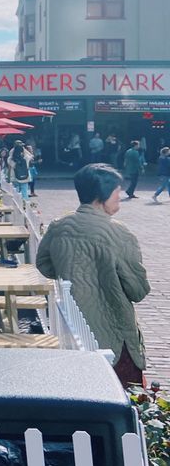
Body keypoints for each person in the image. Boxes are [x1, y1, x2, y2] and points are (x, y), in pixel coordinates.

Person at [36, 164, 150, 387]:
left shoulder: (59, 226)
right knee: (124, 393)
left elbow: (44, 264)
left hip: (75, 324)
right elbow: (137, 290)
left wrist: (71, 272)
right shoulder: (119, 233)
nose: (120, 196)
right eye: (117, 190)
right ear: (102, 194)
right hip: (113, 329)